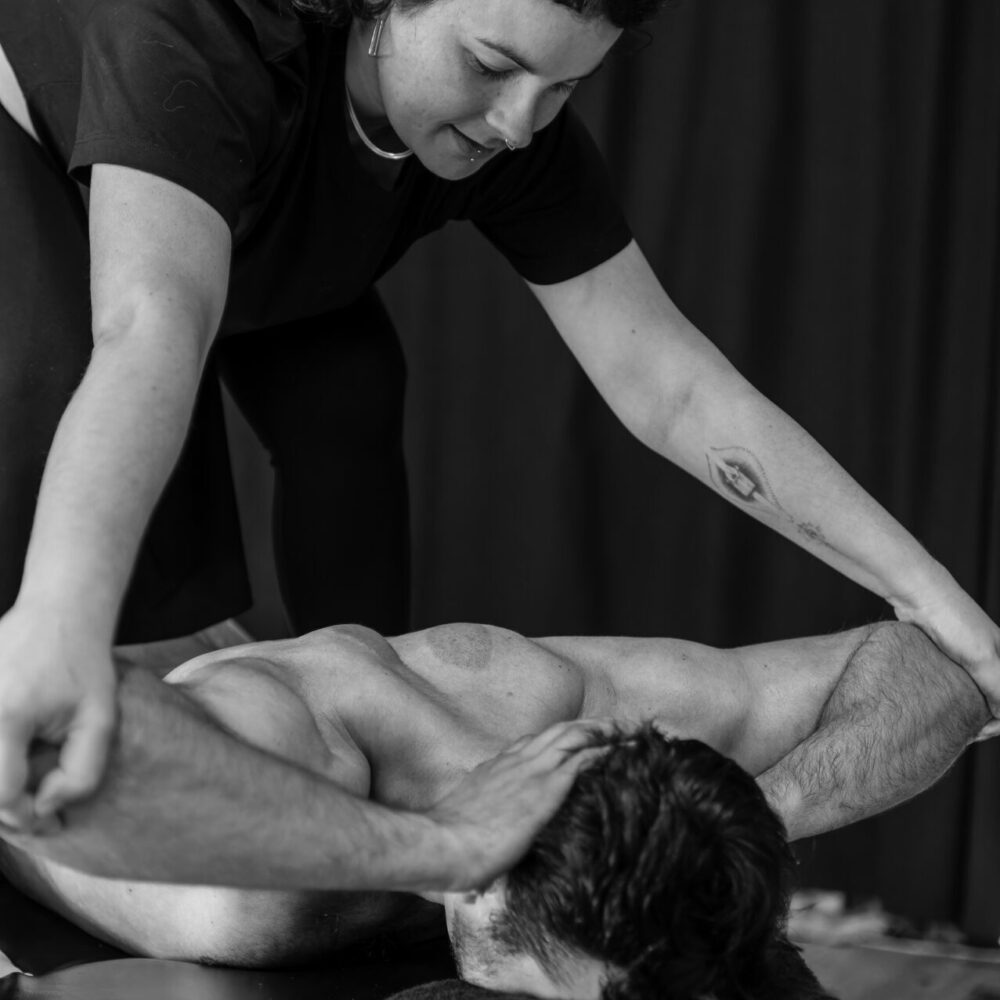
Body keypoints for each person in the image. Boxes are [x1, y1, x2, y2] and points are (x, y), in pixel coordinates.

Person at [0, 0, 997, 836]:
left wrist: (931, 597)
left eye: (562, 86)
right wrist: (57, 623)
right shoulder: (195, 34)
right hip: (55, 171)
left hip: (264, 210)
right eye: (490, 66)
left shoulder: (512, 129)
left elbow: (672, 385)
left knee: (349, 392)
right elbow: (151, 326)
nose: (518, 122)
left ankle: (376, 748)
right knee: (63, 413)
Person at [0, 617, 988, 998]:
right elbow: (35, 720)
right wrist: (435, 841)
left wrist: (752, 817)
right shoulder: (284, 771)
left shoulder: (549, 705)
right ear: (473, 888)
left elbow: (928, 669)